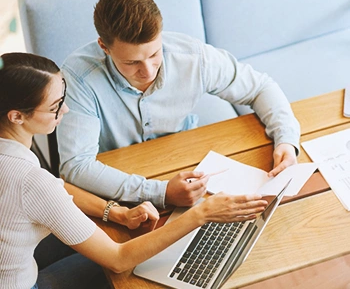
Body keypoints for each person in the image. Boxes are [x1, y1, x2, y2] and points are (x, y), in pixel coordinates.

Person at [0, 52, 269, 289]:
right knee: (142, 272)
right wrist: (203, 213)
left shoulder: (17, 158)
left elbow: (54, 186)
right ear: (16, 116)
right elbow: (118, 259)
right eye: (55, 107)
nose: (66, 110)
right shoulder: (30, 181)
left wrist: (115, 211)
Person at [57, 0, 300, 208]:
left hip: (188, 165)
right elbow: (76, 165)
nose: (148, 71)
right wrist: (160, 193)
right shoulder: (78, 78)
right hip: (115, 185)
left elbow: (260, 87)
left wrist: (286, 140)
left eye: (154, 54)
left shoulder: (193, 58)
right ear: (104, 47)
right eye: (132, 62)